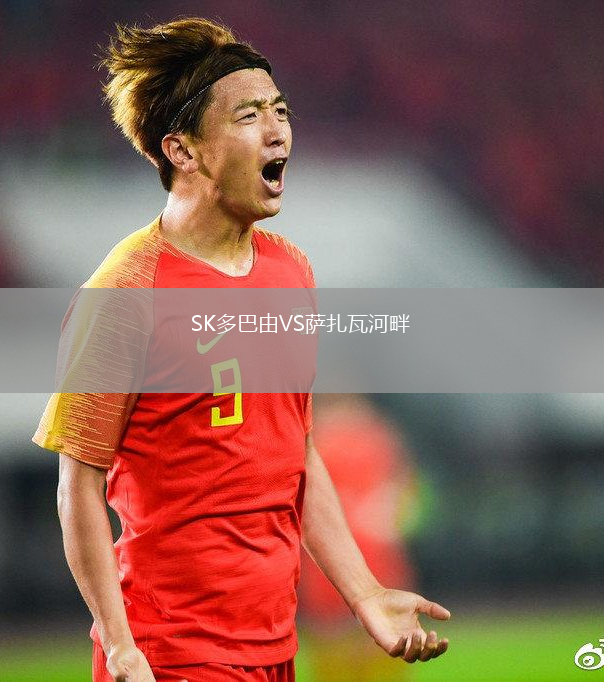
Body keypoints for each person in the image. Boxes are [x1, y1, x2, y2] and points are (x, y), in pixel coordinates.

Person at [33, 18, 450, 682]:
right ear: (184, 151)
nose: (277, 130)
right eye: (249, 116)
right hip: (171, 654)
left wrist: (364, 593)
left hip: (274, 649)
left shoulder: (291, 271)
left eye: (280, 111)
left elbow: (295, 453)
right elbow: (77, 484)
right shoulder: (125, 292)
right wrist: (119, 645)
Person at [299, 394, 423, 682]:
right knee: (382, 648)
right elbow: (406, 495)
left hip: (329, 566)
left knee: (335, 653)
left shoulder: (316, 437)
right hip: (374, 560)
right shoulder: (378, 436)